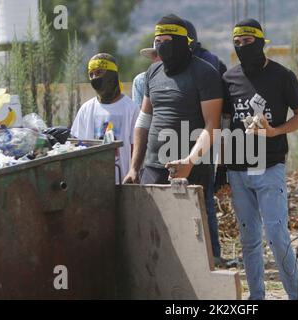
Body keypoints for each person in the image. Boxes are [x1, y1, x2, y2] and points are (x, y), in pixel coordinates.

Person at [222, 18, 298, 300]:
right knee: (248, 239)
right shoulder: (229, 79)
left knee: (277, 235)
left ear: (261, 42)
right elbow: (224, 122)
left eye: (248, 41)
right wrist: (222, 168)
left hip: (270, 165)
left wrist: (275, 131)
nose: (242, 46)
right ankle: (256, 296)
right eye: (237, 42)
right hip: (238, 169)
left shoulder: (282, 75)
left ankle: (296, 294)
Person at [123, 14, 223, 209]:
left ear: (181, 42)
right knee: (152, 230)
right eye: (158, 41)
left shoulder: (205, 73)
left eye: (167, 41)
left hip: (191, 170)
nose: (161, 45)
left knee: (196, 233)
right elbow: (144, 121)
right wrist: (134, 168)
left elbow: (213, 124)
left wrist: (189, 162)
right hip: (153, 168)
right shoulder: (153, 72)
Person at [184, 18, 230, 267]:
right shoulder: (213, 60)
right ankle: (211, 254)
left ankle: (207, 255)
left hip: (196, 137)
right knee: (205, 196)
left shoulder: (200, 63)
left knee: (199, 195)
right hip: (205, 138)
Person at [71, 53, 139, 184]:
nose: (95, 78)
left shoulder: (131, 108)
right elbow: (77, 146)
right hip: (92, 182)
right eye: (91, 74)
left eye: (99, 72)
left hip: (123, 182)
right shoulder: (86, 109)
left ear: (112, 75)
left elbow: (135, 147)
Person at [132, 46, 161, 110]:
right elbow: (139, 114)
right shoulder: (141, 80)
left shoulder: (185, 79)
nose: (158, 58)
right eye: (155, 55)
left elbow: (185, 117)